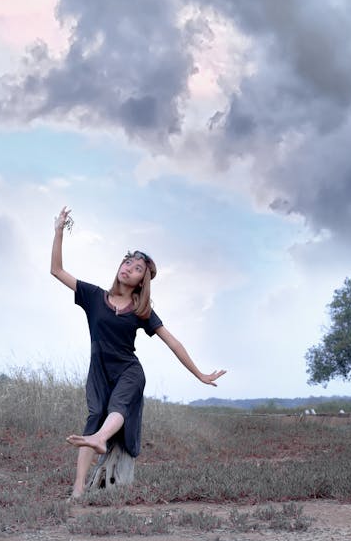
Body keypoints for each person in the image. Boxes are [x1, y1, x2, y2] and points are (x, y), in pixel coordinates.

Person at [50, 206, 226, 498]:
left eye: (136, 268)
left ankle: (100, 440)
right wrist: (58, 230)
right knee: (93, 418)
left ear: (141, 281)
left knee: (116, 409)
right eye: (127, 262)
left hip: (129, 372)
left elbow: (172, 341)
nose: (129, 268)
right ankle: (78, 490)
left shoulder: (141, 310)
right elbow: (56, 270)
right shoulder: (94, 296)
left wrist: (200, 374)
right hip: (100, 371)